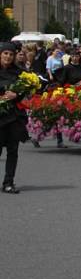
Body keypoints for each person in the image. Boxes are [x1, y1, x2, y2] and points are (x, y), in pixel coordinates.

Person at [0, 43, 29, 193]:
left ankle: (8, 182)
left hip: (13, 116)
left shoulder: (18, 72)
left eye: (11, 54)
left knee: (13, 150)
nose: (8, 57)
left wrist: (16, 95)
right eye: (5, 53)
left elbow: (25, 89)